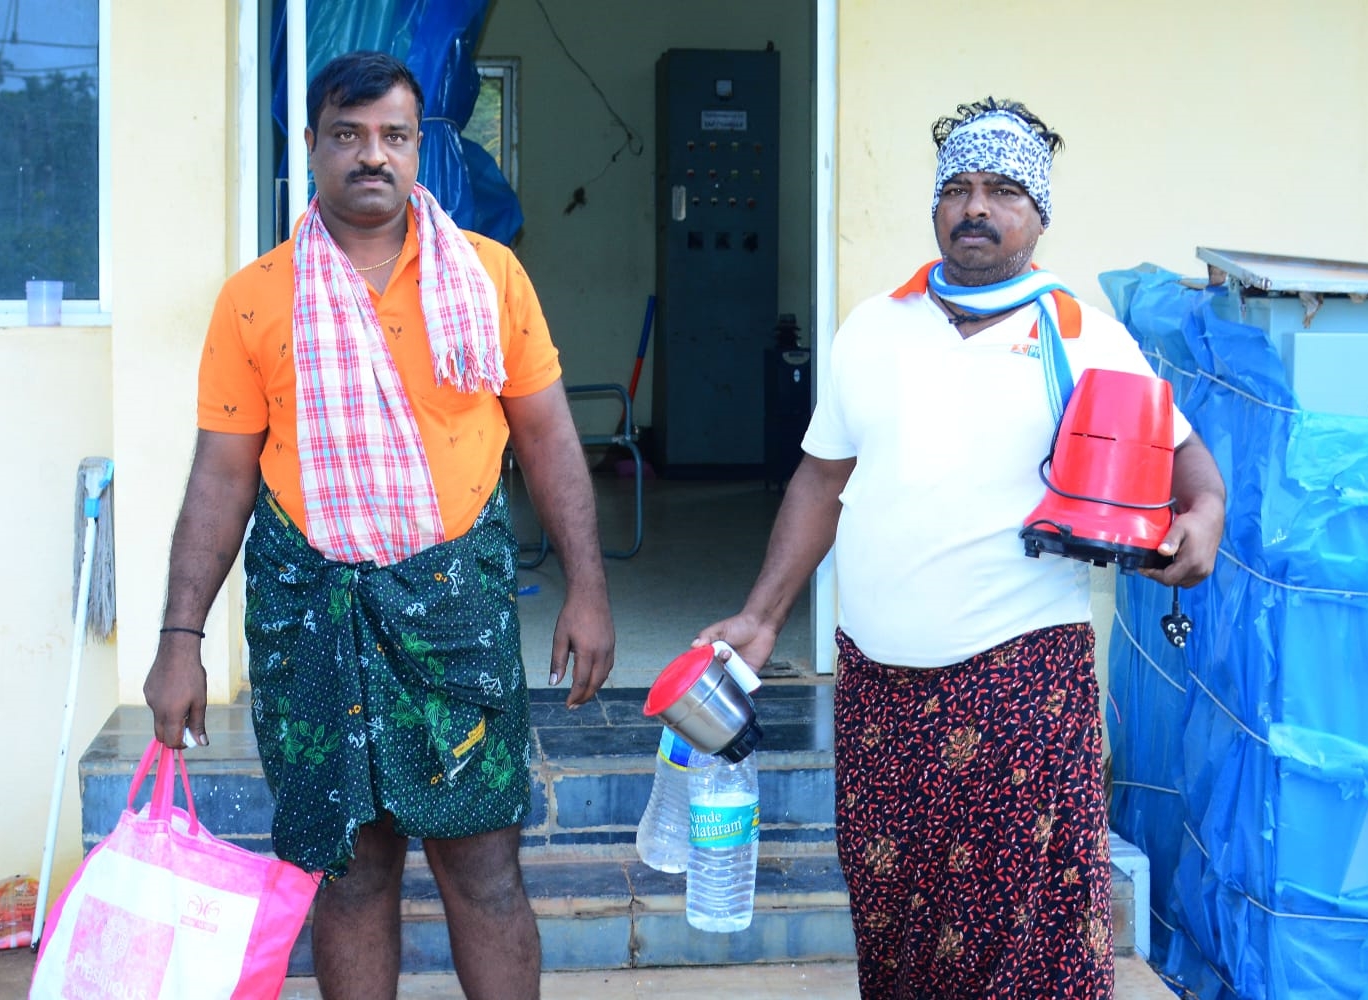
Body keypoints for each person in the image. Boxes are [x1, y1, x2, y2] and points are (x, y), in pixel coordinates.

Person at [694, 98, 1225, 999]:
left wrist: (1203, 518)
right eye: (960, 189)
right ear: (936, 207)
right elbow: (820, 482)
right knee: (897, 929)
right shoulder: (874, 328)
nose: (976, 207)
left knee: (1023, 947)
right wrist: (761, 613)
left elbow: (1192, 473)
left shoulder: (1081, 335)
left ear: (1039, 214)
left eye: (1004, 190)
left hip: (1019, 687)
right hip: (876, 692)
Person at [142, 50, 615, 1000]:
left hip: (456, 615)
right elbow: (220, 480)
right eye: (348, 136)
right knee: (351, 875)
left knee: (483, 872)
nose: (372, 157)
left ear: (419, 151)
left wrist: (589, 589)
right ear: (311, 147)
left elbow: (551, 439)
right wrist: (179, 640)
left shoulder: (489, 276)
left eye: (393, 136)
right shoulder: (255, 297)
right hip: (310, 617)